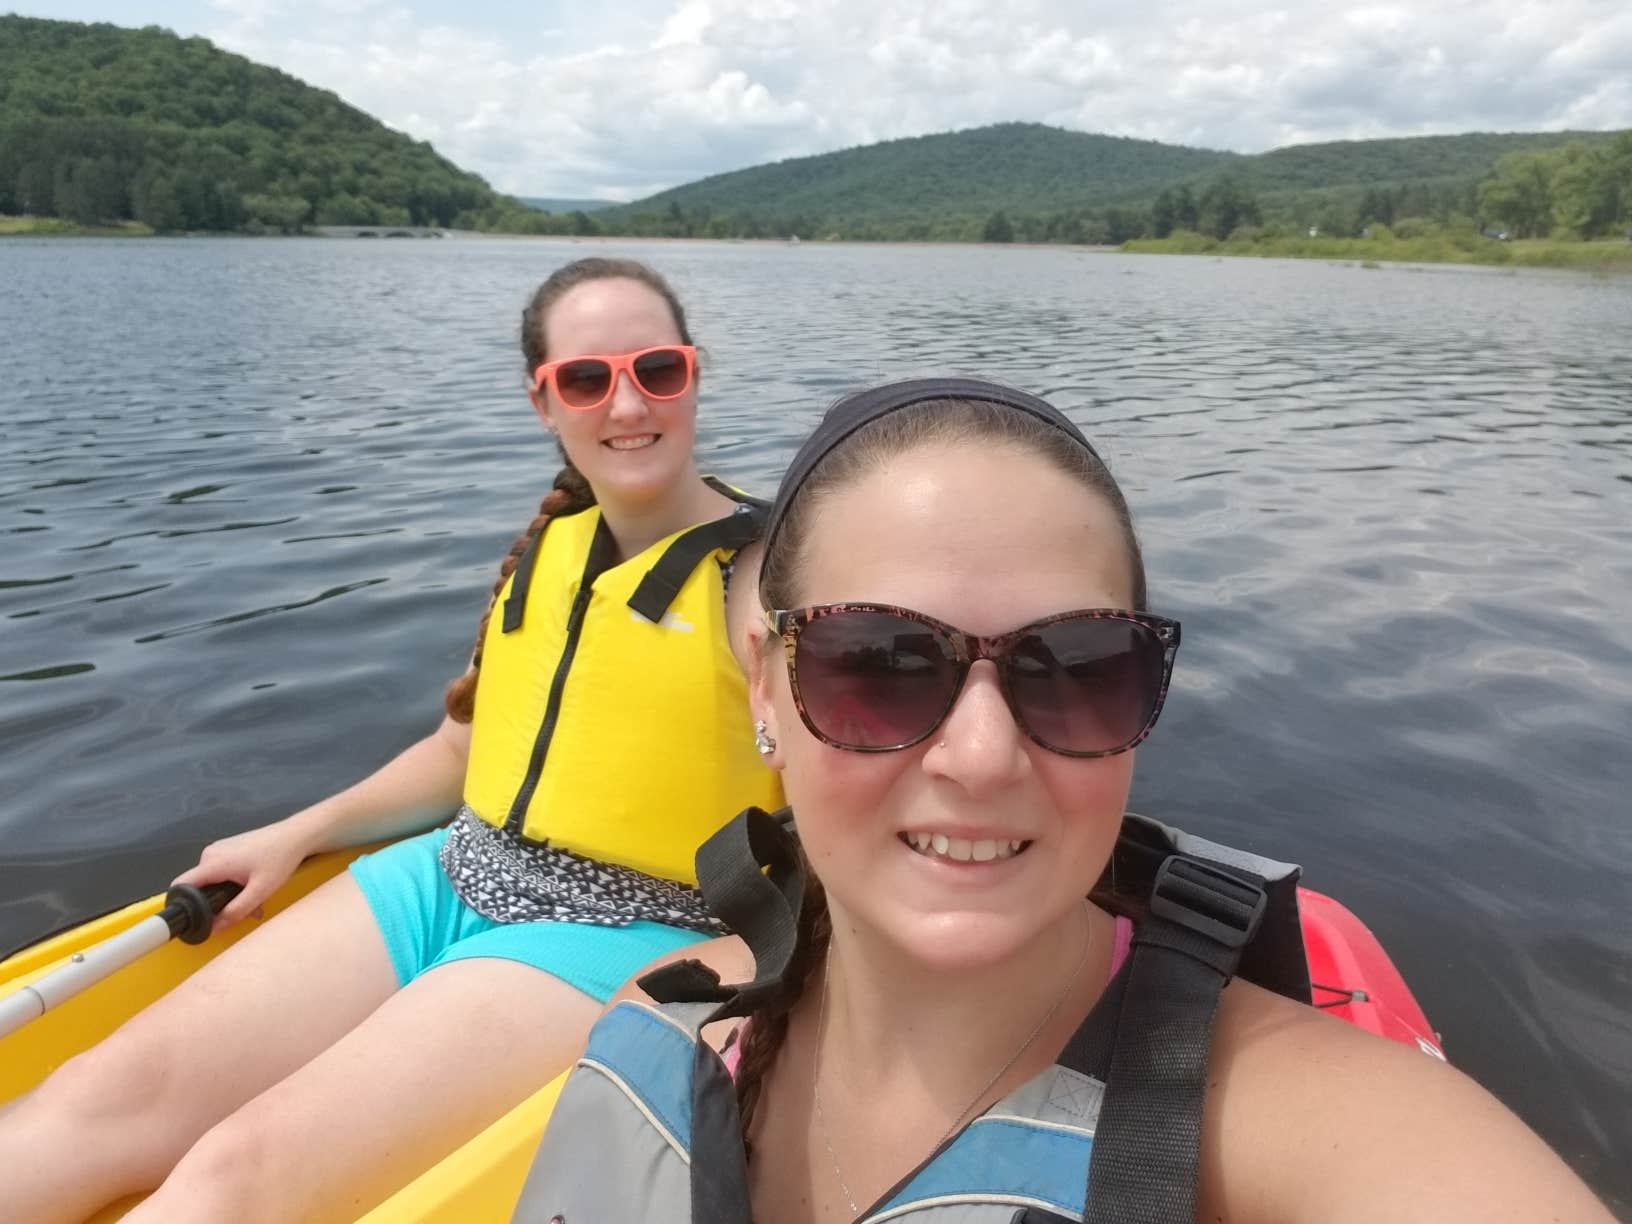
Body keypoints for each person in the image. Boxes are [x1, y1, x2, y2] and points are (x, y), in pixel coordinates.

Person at [521, 378, 1615, 1222]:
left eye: (1079, 667)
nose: (983, 755)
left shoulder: (1296, 1133)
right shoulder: (669, 1018)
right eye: (881, 663)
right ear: (765, 681)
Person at [1, 256, 782, 1224]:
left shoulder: (764, 576)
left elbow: (846, 798)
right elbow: (461, 758)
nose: (626, 403)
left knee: (234, 1177)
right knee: (97, 1098)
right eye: (586, 378)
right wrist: (299, 830)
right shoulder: (551, 547)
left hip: (631, 928)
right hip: (450, 873)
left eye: (655, 369)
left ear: (694, 373)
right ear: (544, 401)